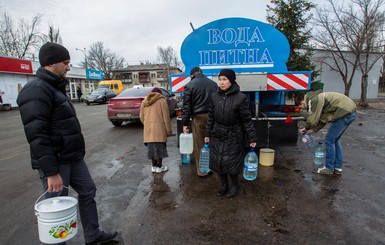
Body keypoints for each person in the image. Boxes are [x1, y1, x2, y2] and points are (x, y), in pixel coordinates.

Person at [16, 42, 118, 245]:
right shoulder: (36, 90)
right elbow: (37, 135)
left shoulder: (54, 87)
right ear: (50, 63)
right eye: (65, 62)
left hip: (72, 158)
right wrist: (51, 172)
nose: (69, 66)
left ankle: (93, 235)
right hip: (56, 163)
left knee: (88, 191)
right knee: (57, 207)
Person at [204, 69, 257, 198]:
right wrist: (207, 133)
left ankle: (234, 185)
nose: (221, 82)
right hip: (217, 133)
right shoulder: (214, 96)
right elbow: (211, 117)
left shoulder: (240, 98)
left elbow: (246, 120)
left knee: (232, 163)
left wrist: (252, 137)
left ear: (231, 81)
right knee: (218, 162)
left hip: (233, 134)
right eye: (220, 79)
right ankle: (223, 185)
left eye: (225, 80)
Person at [296, 90, 357, 175]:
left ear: (302, 101)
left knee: (329, 140)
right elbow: (323, 119)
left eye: (301, 106)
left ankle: (329, 168)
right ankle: (337, 168)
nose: (302, 109)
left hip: (345, 113)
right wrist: (313, 130)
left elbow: (313, 120)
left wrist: (306, 128)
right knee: (335, 139)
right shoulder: (317, 98)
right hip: (349, 112)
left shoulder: (314, 100)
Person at [182, 67, 217, 177]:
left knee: (199, 145)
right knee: (211, 143)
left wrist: (185, 123)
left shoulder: (189, 85)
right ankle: (212, 168)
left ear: (192, 75)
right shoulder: (213, 84)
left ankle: (202, 171)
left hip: (198, 118)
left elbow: (187, 107)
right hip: (213, 117)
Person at [140, 87, 173, 173]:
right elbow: (166, 118)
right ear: (160, 94)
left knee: (152, 149)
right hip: (159, 130)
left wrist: (147, 124)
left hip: (149, 130)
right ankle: (159, 167)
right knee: (159, 149)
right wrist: (168, 131)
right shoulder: (162, 101)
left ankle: (153, 167)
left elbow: (141, 117)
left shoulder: (144, 101)